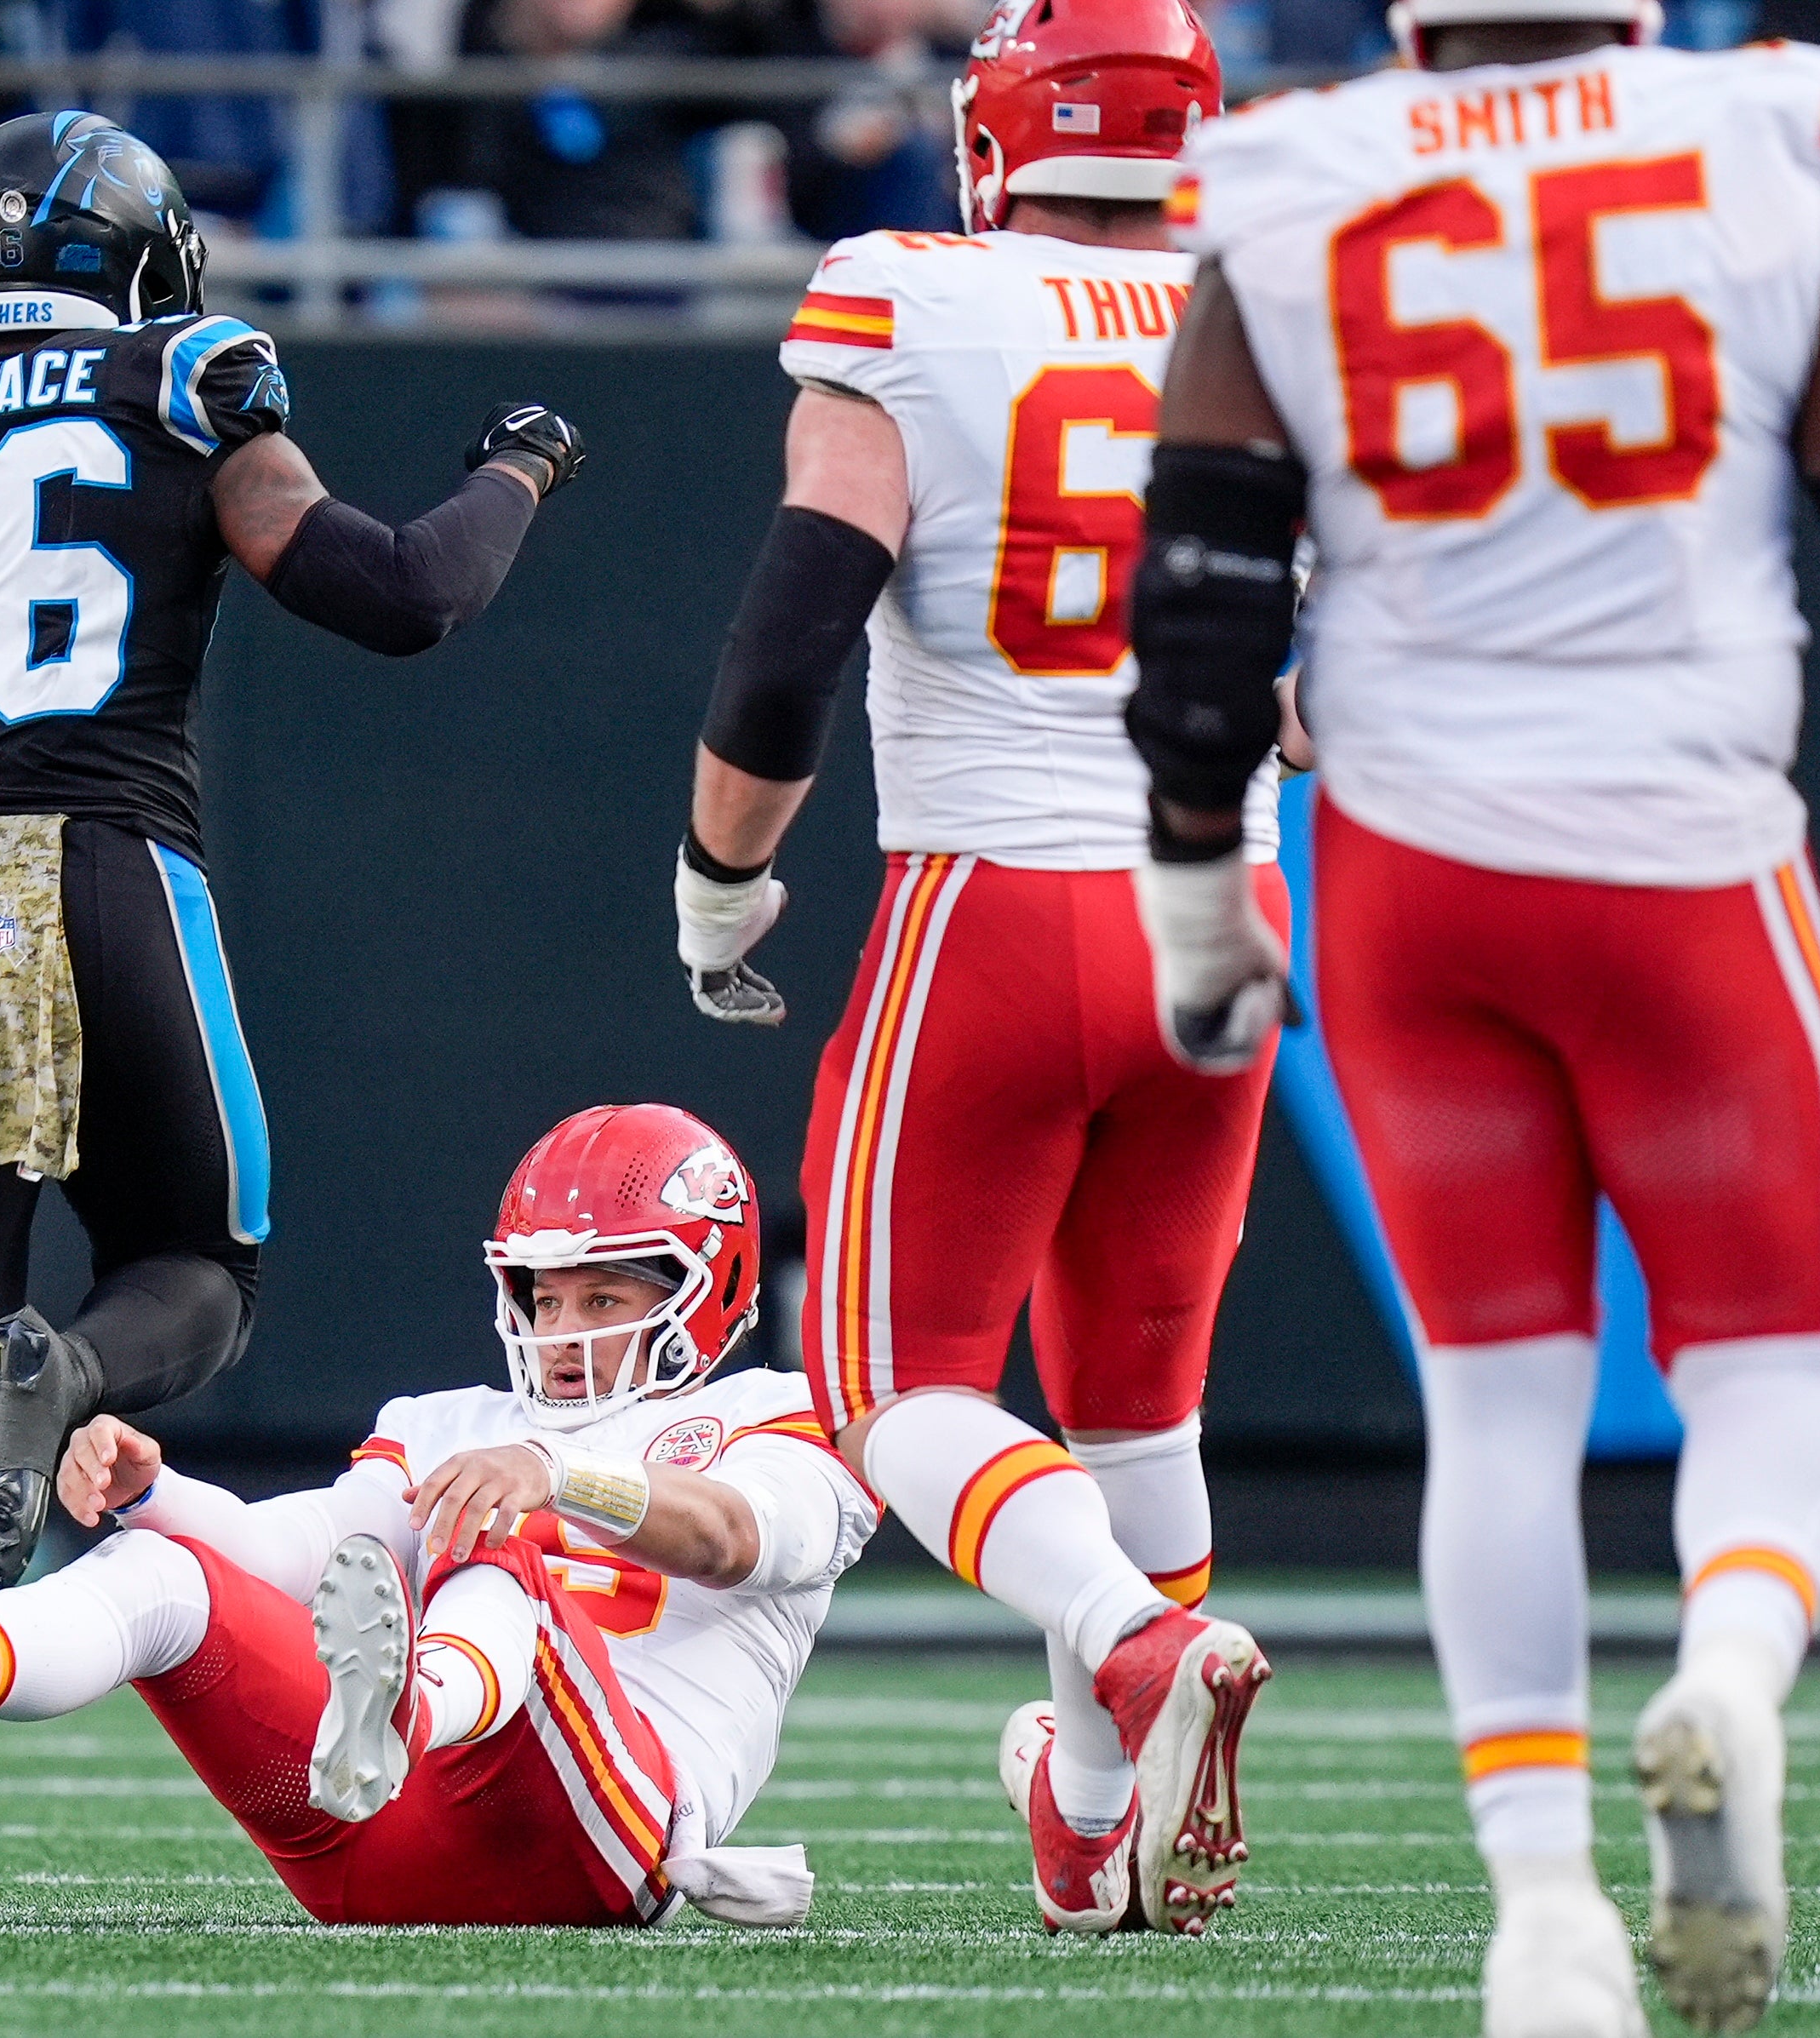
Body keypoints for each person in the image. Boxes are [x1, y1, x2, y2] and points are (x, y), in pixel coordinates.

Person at [1125, 8, 1820, 2031]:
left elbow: (1198, 577)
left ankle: (1540, 1915)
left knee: (1501, 1406)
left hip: (1411, 880)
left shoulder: (1297, 172)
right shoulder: (1764, 130)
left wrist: (1197, 876)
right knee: (1773, 1376)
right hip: (1686, 858)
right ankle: (1722, 1681)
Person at [0, 110, 582, 1907]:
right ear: (138, 262)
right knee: (200, 1265)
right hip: (104, 861)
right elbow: (397, 595)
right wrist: (524, 469)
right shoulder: (181, 381)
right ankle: (74, 1369)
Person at [669, 0, 1285, 1941]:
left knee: (885, 1391)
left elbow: (788, 645)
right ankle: (1100, 1842)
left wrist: (716, 880)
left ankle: (1121, 1645)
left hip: (998, 900)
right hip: (1224, 914)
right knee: (1137, 1409)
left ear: (1009, 129)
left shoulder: (909, 293)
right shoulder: (1274, 303)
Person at [0, 1103, 874, 1926]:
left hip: (597, 1840)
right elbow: (299, 1551)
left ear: (703, 1286)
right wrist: (152, 1490)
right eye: (543, 1290)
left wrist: (553, 1480)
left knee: (486, 1531)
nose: (562, 1325)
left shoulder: (786, 1411)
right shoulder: (454, 1416)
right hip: (363, 1839)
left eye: (605, 1293)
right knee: (168, 1570)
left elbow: (732, 1535)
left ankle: (406, 1707)